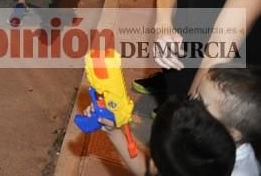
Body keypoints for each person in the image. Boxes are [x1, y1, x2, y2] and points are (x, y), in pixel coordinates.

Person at [99, 66, 261, 176]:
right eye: (195, 94)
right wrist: (113, 131)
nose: (190, 101)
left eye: (200, 103)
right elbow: (151, 169)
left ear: (233, 133)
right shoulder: (194, 143)